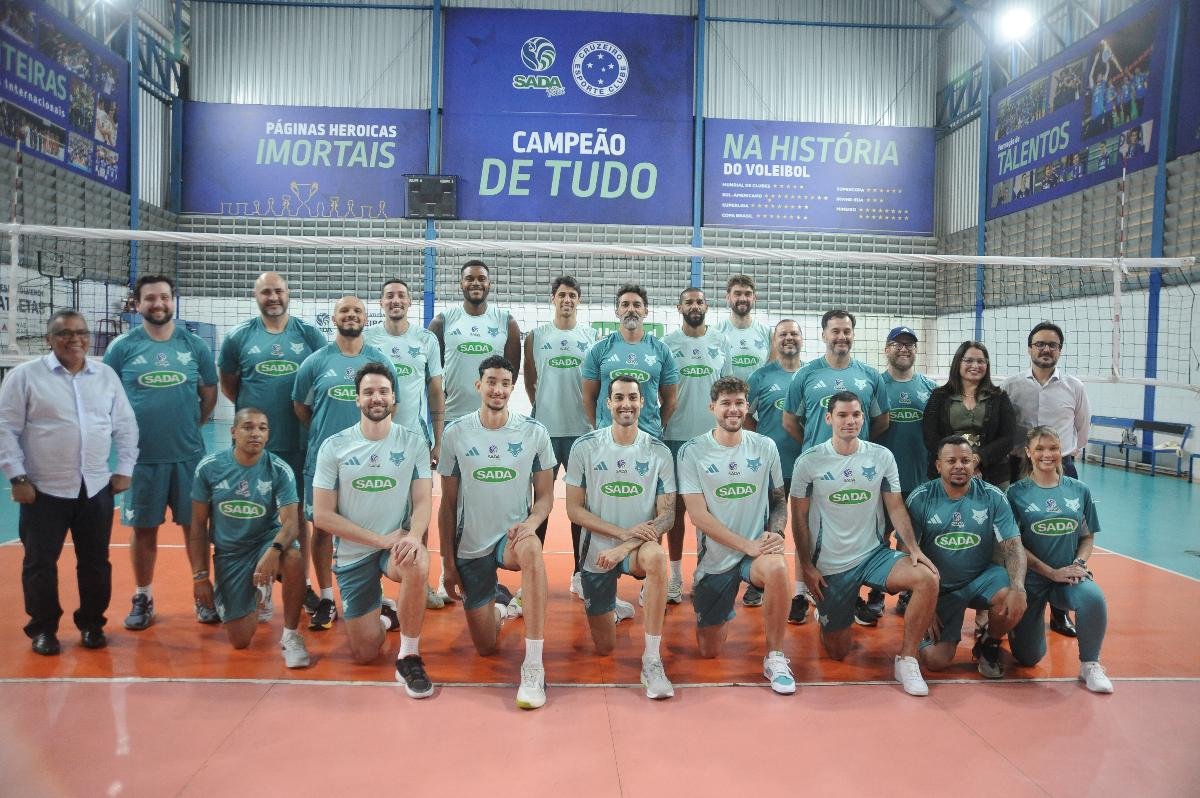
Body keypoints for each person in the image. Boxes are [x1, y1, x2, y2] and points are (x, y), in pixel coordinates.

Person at [0, 311, 138, 655]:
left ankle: (92, 624)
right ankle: (43, 630)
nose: (74, 339)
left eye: (80, 333)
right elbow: (6, 430)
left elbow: (125, 425)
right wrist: (17, 476)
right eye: (64, 333)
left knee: (95, 563)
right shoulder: (24, 377)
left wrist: (125, 469)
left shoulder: (105, 376)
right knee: (39, 564)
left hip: (95, 488)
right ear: (49, 338)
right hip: (43, 490)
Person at [790, 392, 940, 697]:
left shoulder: (881, 456)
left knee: (927, 579)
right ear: (829, 418)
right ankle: (830, 611)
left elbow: (896, 507)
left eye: (856, 414)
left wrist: (913, 548)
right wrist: (806, 567)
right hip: (831, 564)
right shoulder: (809, 461)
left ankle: (907, 660)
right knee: (838, 652)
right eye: (843, 415)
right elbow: (799, 519)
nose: (850, 421)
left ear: (863, 418)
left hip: (873, 554)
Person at [437, 355, 556, 709]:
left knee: (532, 550)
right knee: (486, 647)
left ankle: (533, 664)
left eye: (505, 383)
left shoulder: (533, 432)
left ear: (512, 388)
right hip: (471, 544)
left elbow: (546, 496)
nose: (498, 389)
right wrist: (447, 563)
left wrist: (531, 524)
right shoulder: (456, 433)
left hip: (511, 539)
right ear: (479, 385)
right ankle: (500, 606)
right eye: (491, 381)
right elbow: (447, 503)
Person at [311, 364, 435, 697]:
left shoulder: (412, 442)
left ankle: (409, 656)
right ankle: (384, 617)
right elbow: (322, 516)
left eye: (382, 391)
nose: (376, 398)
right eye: (368, 392)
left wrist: (412, 536)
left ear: (394, 397)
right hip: (354, 551)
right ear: (357, 399)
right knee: (365, 654)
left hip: (394, 546)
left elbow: (423, 500)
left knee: (417, 562)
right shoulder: (334, 447)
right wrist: (379, 539)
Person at [103, 275, 219, 630]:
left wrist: (188, 426)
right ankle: (143, 595)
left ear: (173, 301)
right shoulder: (122, 347)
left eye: (164, 297)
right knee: (144, 528)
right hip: (140, 459)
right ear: (137, 304)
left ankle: (202, 593)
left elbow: (209, 393)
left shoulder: (194, 345)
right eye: (150, 298)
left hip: (187, 457)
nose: (158, 304)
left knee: (194, 526)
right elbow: (105, 396)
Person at [218, 272, 327, 618]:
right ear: (256, 296)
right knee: (254, 519)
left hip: (299, 444)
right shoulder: (238, 338)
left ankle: (304, 584)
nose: (273, 297)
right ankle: (255, 586)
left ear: (288, 294)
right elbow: (230, 387)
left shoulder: (309, 335)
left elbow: (320, 380)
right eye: (266, 291)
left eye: (278, 290)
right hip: (255, 448)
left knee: (298, 518)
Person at [677, 376, 795, 695]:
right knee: (709, 650)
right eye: (726, 403)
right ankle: (722, 606)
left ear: (747, 406)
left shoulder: (765, 446)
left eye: (739, 402)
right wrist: (747, 545)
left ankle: (775, 656)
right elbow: (698, 515)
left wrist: (776, 533)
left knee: (778, 568)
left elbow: (778, 499)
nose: (733, 409)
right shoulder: (693, 451)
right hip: (716, 558)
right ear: (712, 407)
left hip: (755, 554)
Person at [565, 375, 677, 699]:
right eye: (619, 397)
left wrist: (626, 545)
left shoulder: (658, 452)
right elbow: (573, 510)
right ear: (608, 403)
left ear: (642, 402)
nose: (626, 403)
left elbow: (667, 515)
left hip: (637, 550)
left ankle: (652, 660)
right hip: (597, 551)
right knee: (603, 649)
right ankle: (618, 608)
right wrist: (620, 533)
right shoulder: (585, 447)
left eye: (632, 397)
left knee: (657, 558)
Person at [292, 296, 396, 631]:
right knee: (321, 530)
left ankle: (371, 596)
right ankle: (325, 597)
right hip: (323, 462)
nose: (351, 315)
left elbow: (388, 406)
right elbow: (301, 407)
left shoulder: (378, 361)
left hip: (368, 464)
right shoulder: (315, 361)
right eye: (344, 311)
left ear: (367, 318)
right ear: (334, 318)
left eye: (357, 311)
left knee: (366, 529)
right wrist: (328, 438)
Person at [188, 408, 311, 668]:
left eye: (262, 428)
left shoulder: (279, 469)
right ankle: (259, 594)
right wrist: (200, 576)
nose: (255, 433)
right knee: (240, 639)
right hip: (230, 553)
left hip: (265, 541)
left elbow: (290, 524)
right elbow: (198, 525)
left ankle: (290, 635)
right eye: (248, 427)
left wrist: (273, 551)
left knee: (293, 557)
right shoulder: (209, 468)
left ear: (268, 435)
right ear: (233, 432)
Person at [908, 436, 1027, 679]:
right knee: (935, 660)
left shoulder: (993, 496)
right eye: (951, 461)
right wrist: (924, 603)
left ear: (974, 463)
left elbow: (1013, 545)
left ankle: (989, 643)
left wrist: (1018, 587)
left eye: (965, 460)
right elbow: (906, 554)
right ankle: (934, 629)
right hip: (939, 588)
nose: (959, 466)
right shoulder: (920, 499)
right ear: (938, 466)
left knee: (1011, 600)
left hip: (981, 577)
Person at [1007, 426, 1113, 693]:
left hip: (1067, 577)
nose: (1047, 454)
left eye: (1053, 448)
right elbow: (1014, 546)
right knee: (1028, 658)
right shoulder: (1015, 493)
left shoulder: (1079, 490)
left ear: (1061, 451)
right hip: (1030, 579)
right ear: (1028, 453)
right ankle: (1018, 633)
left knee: (1093, 597)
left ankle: (1090, 664)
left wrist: (1078, 564)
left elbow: (1087, 537)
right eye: (1040, 449)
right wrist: (1050, 572)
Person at [1002, 321, 1091, 638]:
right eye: (1040, 343)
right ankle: (1017, 595)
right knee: (1015, 536)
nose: (1046, 349)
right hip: (1018, 466)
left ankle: (1061, 612)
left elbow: (1082, 428)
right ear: (1029, 348)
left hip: (1061, 465)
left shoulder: (1074, 387)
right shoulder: (1012, 386)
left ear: (1060, 350)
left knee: (1064, 536)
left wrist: (1063, 456)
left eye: (1052, 344)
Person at [363, 277, 446, 610]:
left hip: (413, 441)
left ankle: (419, 583)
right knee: (370, 509)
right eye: (389, 296)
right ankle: (369, 587)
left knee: (418, 515)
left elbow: (436, 389)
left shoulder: (425, 339)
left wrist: (437, 438)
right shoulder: (369, 339)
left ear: (410, 302)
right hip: (373, 439)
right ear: (381, 303)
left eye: (401, 296)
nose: (395, 300)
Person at [522, 276, 598, 599]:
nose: (567, 299)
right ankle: (532, 571)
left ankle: (580, 573)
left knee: (580, 507)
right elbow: (530, 381)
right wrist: (544, 412)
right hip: (546, 433)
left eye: (572, 295)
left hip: (581, 434)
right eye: (561, 295)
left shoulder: (592, 337)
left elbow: (594, 387)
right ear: (552, 298)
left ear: (579, 301)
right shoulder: (536, 336)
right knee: (540, 504)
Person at [662, 287, 730, 605]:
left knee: (709, 511)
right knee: (674, 513)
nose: (695, 306)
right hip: (675, 438)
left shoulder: (720, 342)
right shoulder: (667, 344)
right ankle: (674, 576)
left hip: (710, 442)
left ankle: (704, 573)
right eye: (689, 301)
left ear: (707, 306)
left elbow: (727, 393)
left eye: (700, 301)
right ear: (679, 308)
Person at [869, 325, 937, 620]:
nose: (904, 349)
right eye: (897, 344)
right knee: (878, 537)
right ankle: (875, 592)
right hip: (882, 480)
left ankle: (910, 589)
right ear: (887, 349)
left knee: (914, 539)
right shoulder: (876, 384)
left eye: (909, 344)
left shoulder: (929, 387)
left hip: (920, 478)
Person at [745, 319, 810, 623]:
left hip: (808, 466)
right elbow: (744, 414)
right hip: (772, 467)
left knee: (806, 528)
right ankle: (757, 581)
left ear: (803, 339)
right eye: (782, 334)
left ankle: (801, 591)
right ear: (774, 341)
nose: (788, 338)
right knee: (766, 524)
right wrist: (762, 440)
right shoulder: (761, 376)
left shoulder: (811, 375)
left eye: (794, 334)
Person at [581, 284, 679, 443]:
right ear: (617, 311)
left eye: (637, 305)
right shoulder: (599, 349)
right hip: (607, 439)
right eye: (625, 305)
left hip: (648, 439)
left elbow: (671, 401)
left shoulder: (662, 350)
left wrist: (654, 428)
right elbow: (587, 398)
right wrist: (600, 427)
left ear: (645, 311)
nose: (631, 309)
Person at [428, 260, 521, 425]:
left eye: (481, 279)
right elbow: (432, 375)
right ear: (461, 284)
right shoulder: (441, 322)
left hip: (493, 416)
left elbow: (511, 375)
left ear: (489, 284)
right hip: (452, 416)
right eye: (470, 279)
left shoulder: (507, 322)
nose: (476, 283)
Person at [782, 309, 888, 452]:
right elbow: (789, 422)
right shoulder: (804, 374)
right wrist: (813, 447)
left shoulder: (871, 375)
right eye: (835, 331)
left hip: (858, 461)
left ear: (853, 335)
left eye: (847, 331)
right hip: (817, 463)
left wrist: (860, 443)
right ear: (824, 336)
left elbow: (882, 422)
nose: (842, 336)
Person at [923, 340, 1016, 490]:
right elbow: (930, 436)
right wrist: (958, 463)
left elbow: (1008, 439)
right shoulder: (939, 396)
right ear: (958, 363)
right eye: (969, 360)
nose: (975, 365)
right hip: (948, 475)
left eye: (981, 361)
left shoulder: (999, 397)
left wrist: (978, 459)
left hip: (994, 474)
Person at [714, 273, 772, 382]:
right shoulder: (716, 332)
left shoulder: (767, 333)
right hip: (727, 397)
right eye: (737, 294)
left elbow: (771, 372)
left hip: (759, 398)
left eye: (748, 294)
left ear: (754, 297)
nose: (743, 298)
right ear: (728, 297)